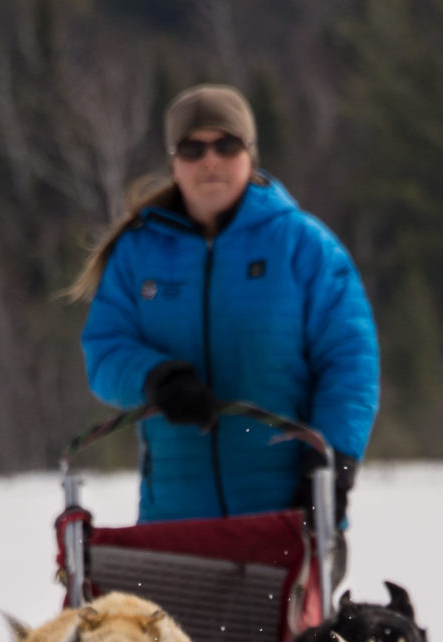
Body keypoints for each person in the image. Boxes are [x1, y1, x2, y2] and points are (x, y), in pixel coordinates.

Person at [68, 84, 378, 534]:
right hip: (174, 519)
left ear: (249, 153)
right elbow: (105, 350)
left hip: (290, 515)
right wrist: (155, 377)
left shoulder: (304, 245)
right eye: (193, 149)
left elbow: (350, 362)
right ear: (174, 160)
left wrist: (334, 462)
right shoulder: (137, 253)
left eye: (226, 145)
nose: (209, 160)